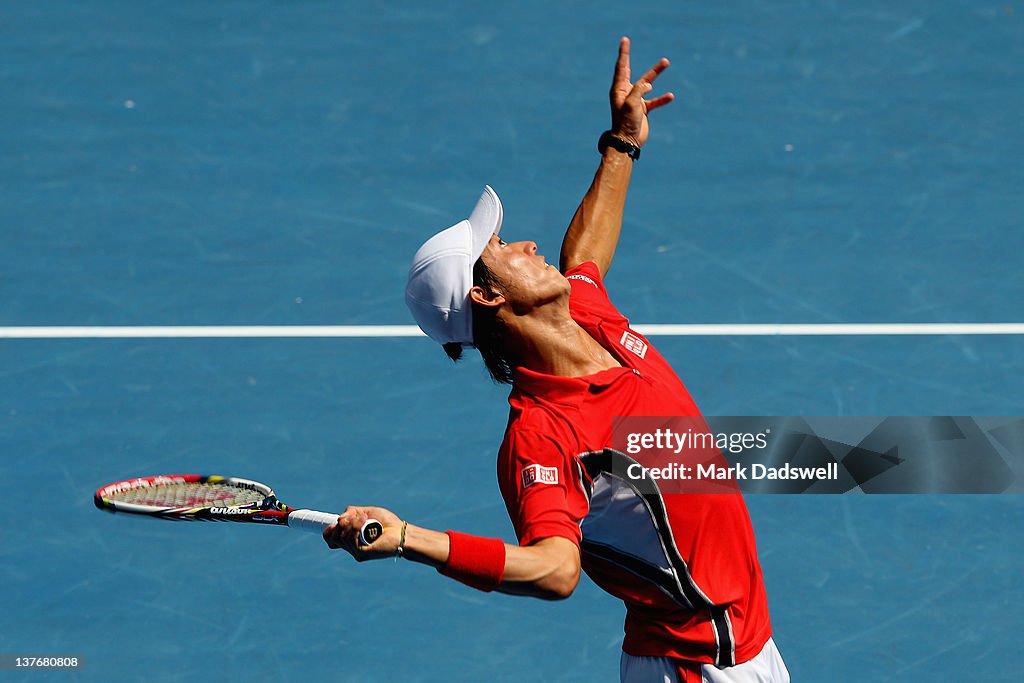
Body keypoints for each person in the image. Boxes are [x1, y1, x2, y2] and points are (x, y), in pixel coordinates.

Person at [324, 37, 789, 682]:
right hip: (691, 665)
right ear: (487, 295)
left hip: (745, 644)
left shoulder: (587, 314)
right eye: (503, 246)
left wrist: (622, 145)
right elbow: (552, 569)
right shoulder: (541, 436)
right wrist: (409, 538)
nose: (527, 241)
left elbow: (585, 255)